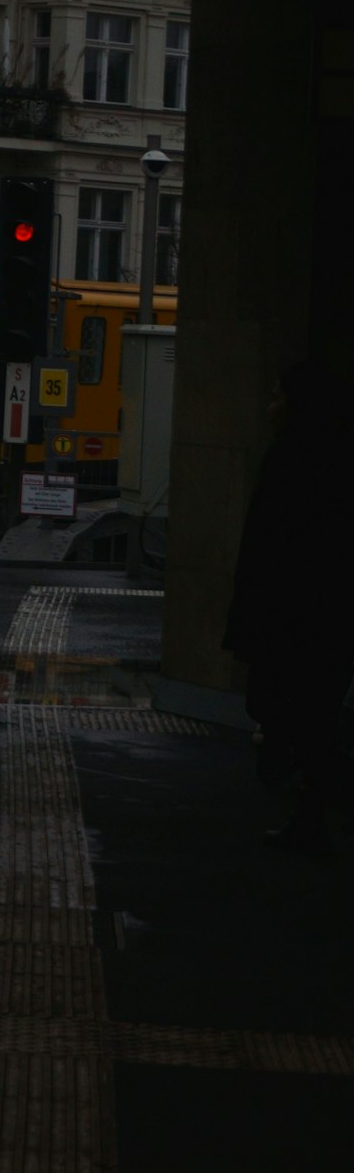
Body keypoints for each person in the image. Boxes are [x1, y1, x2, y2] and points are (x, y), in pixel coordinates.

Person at [223, 363, 354, 850]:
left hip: (295, 617)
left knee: (294, 710)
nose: (269, 406)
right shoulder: (334, 459)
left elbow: (268, 549)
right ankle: (313, 804)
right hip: (327, 618)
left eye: (277, 396)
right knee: (314, 712)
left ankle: (316, 800)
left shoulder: (292, 462)